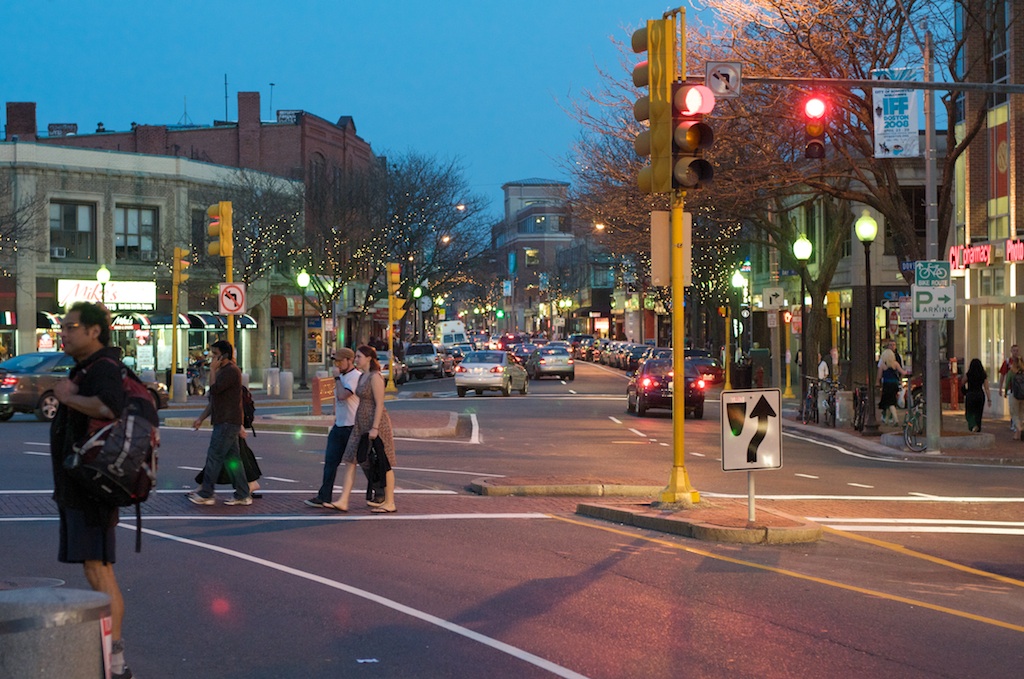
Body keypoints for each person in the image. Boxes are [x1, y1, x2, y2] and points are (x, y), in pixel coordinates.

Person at [50, 301, 134, 679]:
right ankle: (112, 658)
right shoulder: (89, 367)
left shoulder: (103, 369)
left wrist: (68, 397)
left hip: (93, 488)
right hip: (82, 487)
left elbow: (109, 407)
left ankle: (115, 661)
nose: (63, 332)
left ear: (93, 331)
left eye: (71, 327)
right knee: (95, 568)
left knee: (100, 571)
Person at [324, 345, 397, 513]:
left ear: (368, 358)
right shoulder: (363, 376)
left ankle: (389, 501)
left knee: (384, 462)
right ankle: (343, 500)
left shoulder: (375, 377)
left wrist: (375, 428)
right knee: (350, 459)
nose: (356, 359)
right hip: (360, 423)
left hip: (376, 423)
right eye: (355, 357)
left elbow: (379, 404)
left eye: (359, 357)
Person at [188, 340, 252, 506]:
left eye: (215, 354)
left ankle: (207, 493)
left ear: (224, 355)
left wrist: (212, 371)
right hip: (225, 421)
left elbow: (214, 390)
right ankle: (243, 494)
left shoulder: (231, 371)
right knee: (233, 459)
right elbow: (214, 401)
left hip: (227, 422)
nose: (212, 357)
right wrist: (201, 418)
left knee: (214, 457)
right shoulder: (224, 371)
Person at [304, 348, 360, 507]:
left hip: (352, 426)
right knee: (330, 461)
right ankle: (324, 496)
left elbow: (343, 395)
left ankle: (378, 492)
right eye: (336, 362)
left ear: (350, 360)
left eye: (340, 361)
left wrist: (336, 378)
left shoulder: (355, 377)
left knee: (362, 462)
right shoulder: (342, 377)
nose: (338, 365)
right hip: (339, 425)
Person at [877, 338, 909, 425]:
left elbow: (879, 375)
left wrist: (878, 382)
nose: (893, 346)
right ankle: (887, 420)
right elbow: (903, 372)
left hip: (887, 384)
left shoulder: (883, 364)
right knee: (890, 401)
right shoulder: (895, 363)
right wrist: (908, 372)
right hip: (894, 384)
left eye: (894, 345)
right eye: (891, 345)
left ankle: (895, 419)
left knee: (889, 402)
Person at [961, 359, 991, 433]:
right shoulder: (983, 375)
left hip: (970, 394)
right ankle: (978, 428)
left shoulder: (969, 374)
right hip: (980, 395)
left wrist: (964, 390)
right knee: (978, 414)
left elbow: (962, 382)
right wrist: (989, 399)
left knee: (969, 413)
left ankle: (972, 425)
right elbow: (987, 388)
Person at [1003, 353, 1024, 440]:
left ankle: (1019, 429)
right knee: (1021, 414)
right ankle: (1018, 434)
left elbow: (1007, 383)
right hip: (1023, 396)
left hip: (1014, 394)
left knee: (1014, 414)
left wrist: (1005, 392)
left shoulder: (1011, 372)